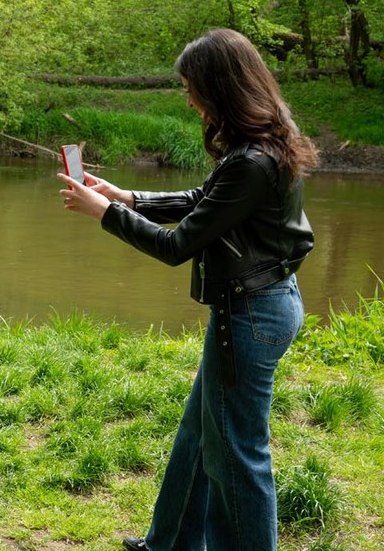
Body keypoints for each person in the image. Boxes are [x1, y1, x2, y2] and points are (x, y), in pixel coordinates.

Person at [57, 28, 318, 551]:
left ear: (221, 86)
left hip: (253, 315)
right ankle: (171, 542)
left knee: (237, 457)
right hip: (255, 305)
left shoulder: (252, 160)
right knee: (202, 434)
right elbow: (208, 198)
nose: (189, 98)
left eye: (192, 86)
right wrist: (129, 196)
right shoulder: (265, 139)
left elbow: (179, 246)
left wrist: (106, 213)